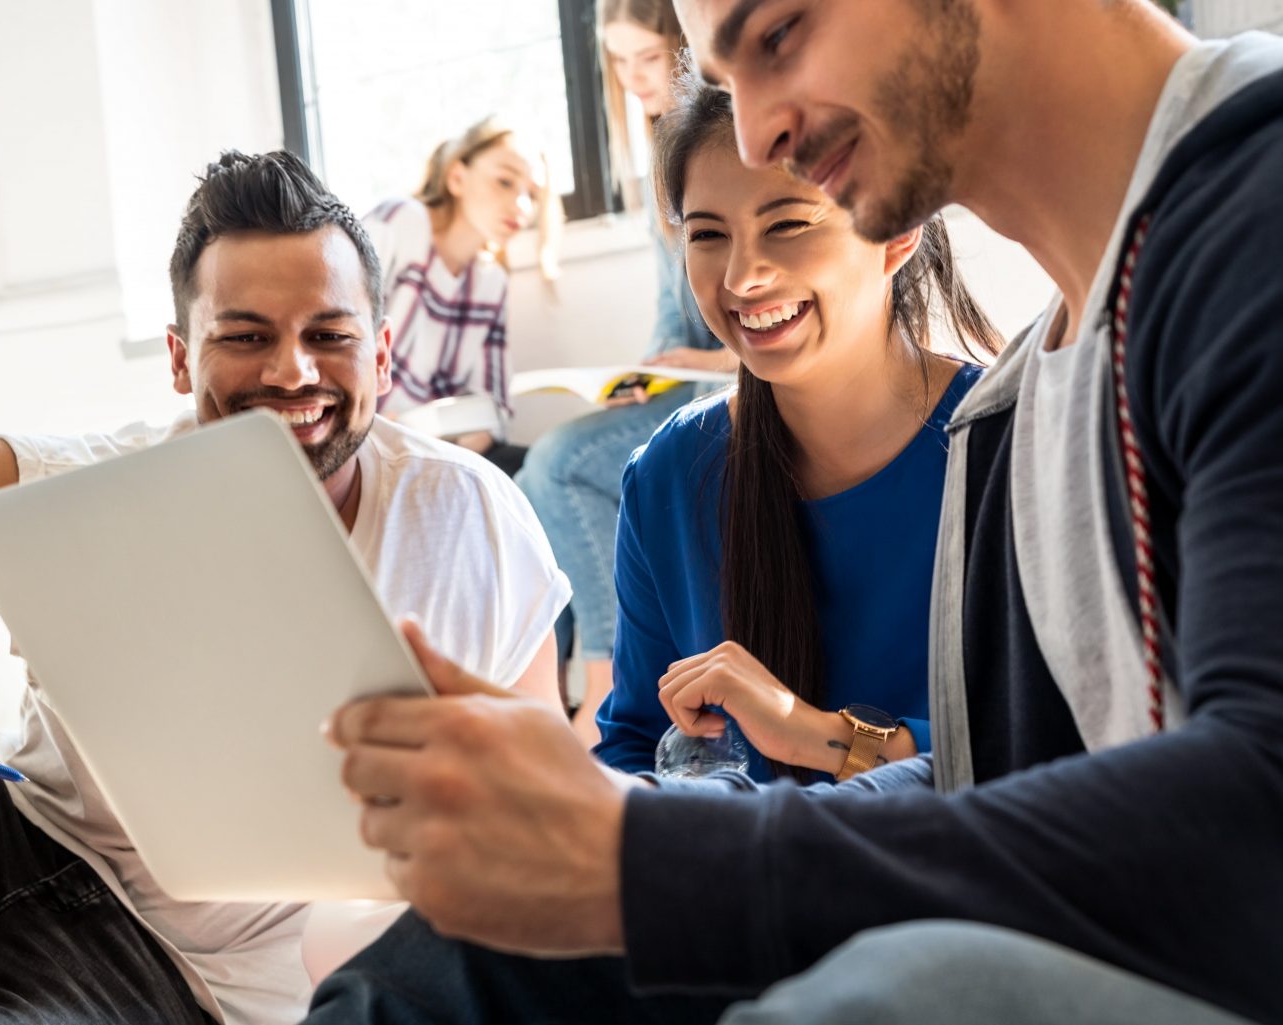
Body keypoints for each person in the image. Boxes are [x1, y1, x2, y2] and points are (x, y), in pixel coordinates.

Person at [304, 3, 1283, 1024]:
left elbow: (1259, 824)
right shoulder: (1015, 410)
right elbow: (986, 784)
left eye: (778, 32)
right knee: (437, 974)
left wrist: (664, 866)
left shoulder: (1252, 211)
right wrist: (622, 828)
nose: (758, 127)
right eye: (730, 73)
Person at [0, 149, 568, 1024]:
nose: (292, 372)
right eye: (246, 336)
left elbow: (549, 793)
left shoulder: (472, 514)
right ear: (181, 358)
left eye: (329, 334)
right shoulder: (89, 477)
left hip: (159, 972)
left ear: (384, 355)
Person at [595, 81, 999, 783]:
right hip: (744, 890)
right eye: (708, 235)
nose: (744, 276)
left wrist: (812, 734)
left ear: (899, 226)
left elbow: (1049, 752)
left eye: (787, 224)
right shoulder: (667, 476)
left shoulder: (1003, 445)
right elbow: (633, 751)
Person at [517, 0, 733, 742]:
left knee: (556, 461)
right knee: (532, 480)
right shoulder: (657, 167)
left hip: (738, 376)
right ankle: (559, 685)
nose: (632, 78)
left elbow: (761, 318)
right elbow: (673, 321)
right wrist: (639, 377)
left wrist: (705, 360)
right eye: (619, 62)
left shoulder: (737, 144)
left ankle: (601, 683)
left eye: (647, 58)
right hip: (699, 379)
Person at [364, 116, 561, 477]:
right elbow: (335, 328)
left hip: (438, 447)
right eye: (504, 182)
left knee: (546, 473)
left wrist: (477, 435)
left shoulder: (491, 282)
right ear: (457, 177)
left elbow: (494, 399)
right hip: (367, 436)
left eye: (532, 194)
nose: (521, 204)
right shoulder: (401, 223)